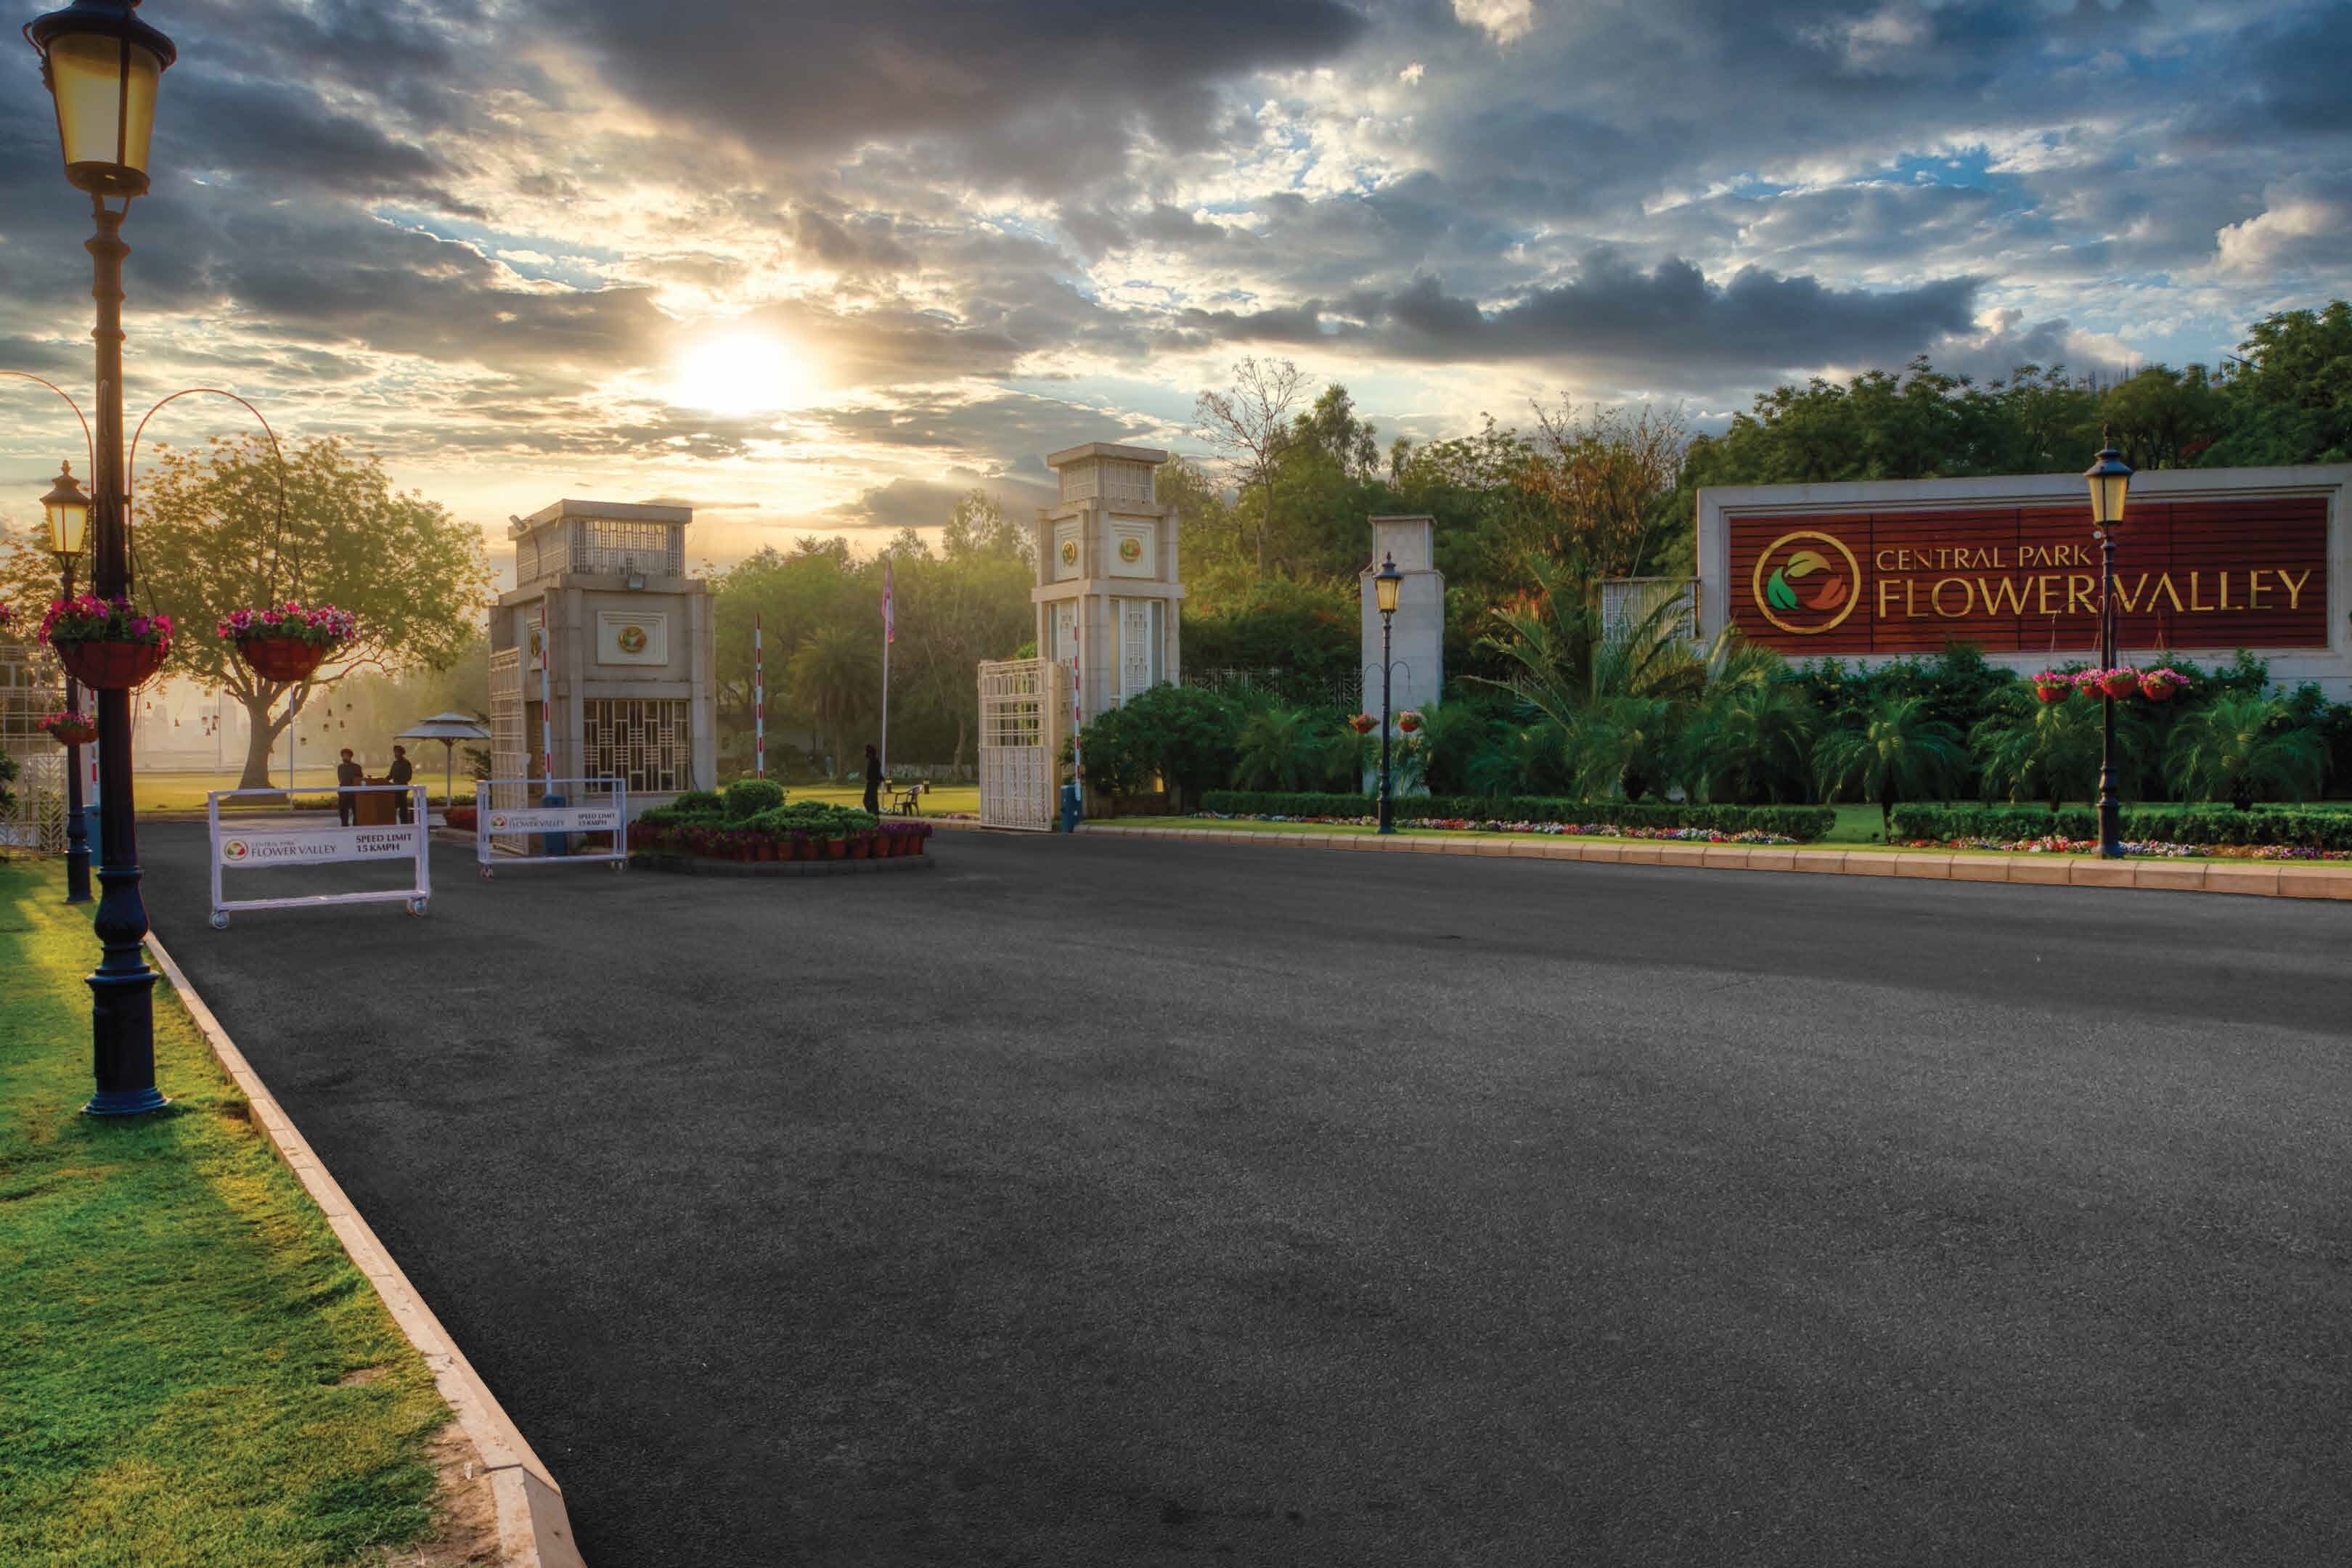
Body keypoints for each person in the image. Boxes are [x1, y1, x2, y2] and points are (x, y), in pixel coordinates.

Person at [335, 748, 363, 827]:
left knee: (356, 812)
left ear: (350, 757)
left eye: (346, 756)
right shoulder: (340, 767)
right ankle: (345, 825)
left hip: (354, 792)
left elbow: (360, 779)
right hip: (344, 792)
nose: (344, 758)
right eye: (343, 756)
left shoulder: (357, 767)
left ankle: (356, 826)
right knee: (343, 812)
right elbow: (340, 779)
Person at [387, 744, 415, 824]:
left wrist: (399, 783)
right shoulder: (395, 763)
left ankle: (404, 823)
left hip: (402, 789)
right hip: (394, 788)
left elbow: (408, 777)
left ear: (401, 753)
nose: (395, 754)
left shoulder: (406, 763)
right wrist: (382, 780)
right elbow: (390, 775)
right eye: (395, 752)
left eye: (397, 752)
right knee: (392, 807)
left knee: (403, 807)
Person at [862, 743, 882, 814]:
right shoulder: (872, 760)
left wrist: (880, 779)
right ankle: (872, 813)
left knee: (869, 800)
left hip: (872, 783)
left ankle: (873, 814)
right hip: (871, 783)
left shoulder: (874, 761)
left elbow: (877, 772)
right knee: (870, 800)